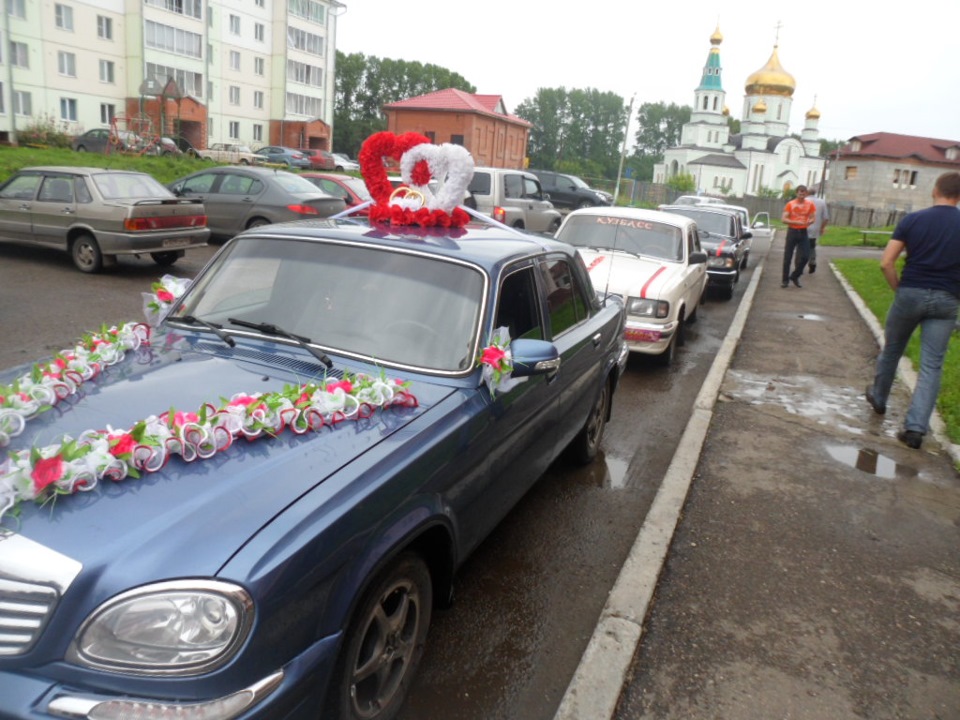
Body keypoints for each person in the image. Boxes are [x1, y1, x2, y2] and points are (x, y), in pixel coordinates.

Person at [865, 171, 960, 449]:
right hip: (947, 300)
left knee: (893, 348)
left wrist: (899, 290)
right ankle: (916, 429)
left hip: (910, 292)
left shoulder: (913, 220)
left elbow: (886, 262)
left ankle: (879, 398)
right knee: (932, 364)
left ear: (935, 191)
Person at [780, 185, 816, 288]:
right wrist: (795, 221)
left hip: (803, 232)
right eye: (800, 192)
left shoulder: (810, 204)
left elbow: (813, 217)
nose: (802, 194)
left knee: (805, 256)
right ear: (797, 193)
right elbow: (783, 219)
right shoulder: (790, 204)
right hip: (792, 231)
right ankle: (785, 280)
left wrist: (810, 221)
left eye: (804, 193)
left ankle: (795, 275)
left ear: (806, 194)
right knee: (788, 257)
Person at [804, 190, 829, 273]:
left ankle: (801, 263)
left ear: (807, 193)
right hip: (815, 228)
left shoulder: (803, 201)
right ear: (815, 193)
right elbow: (826, 218)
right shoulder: (822, 202)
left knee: (801, 246)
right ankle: (812, 261)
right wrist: (822, 228)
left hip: (802, 226)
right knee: (812, 246)